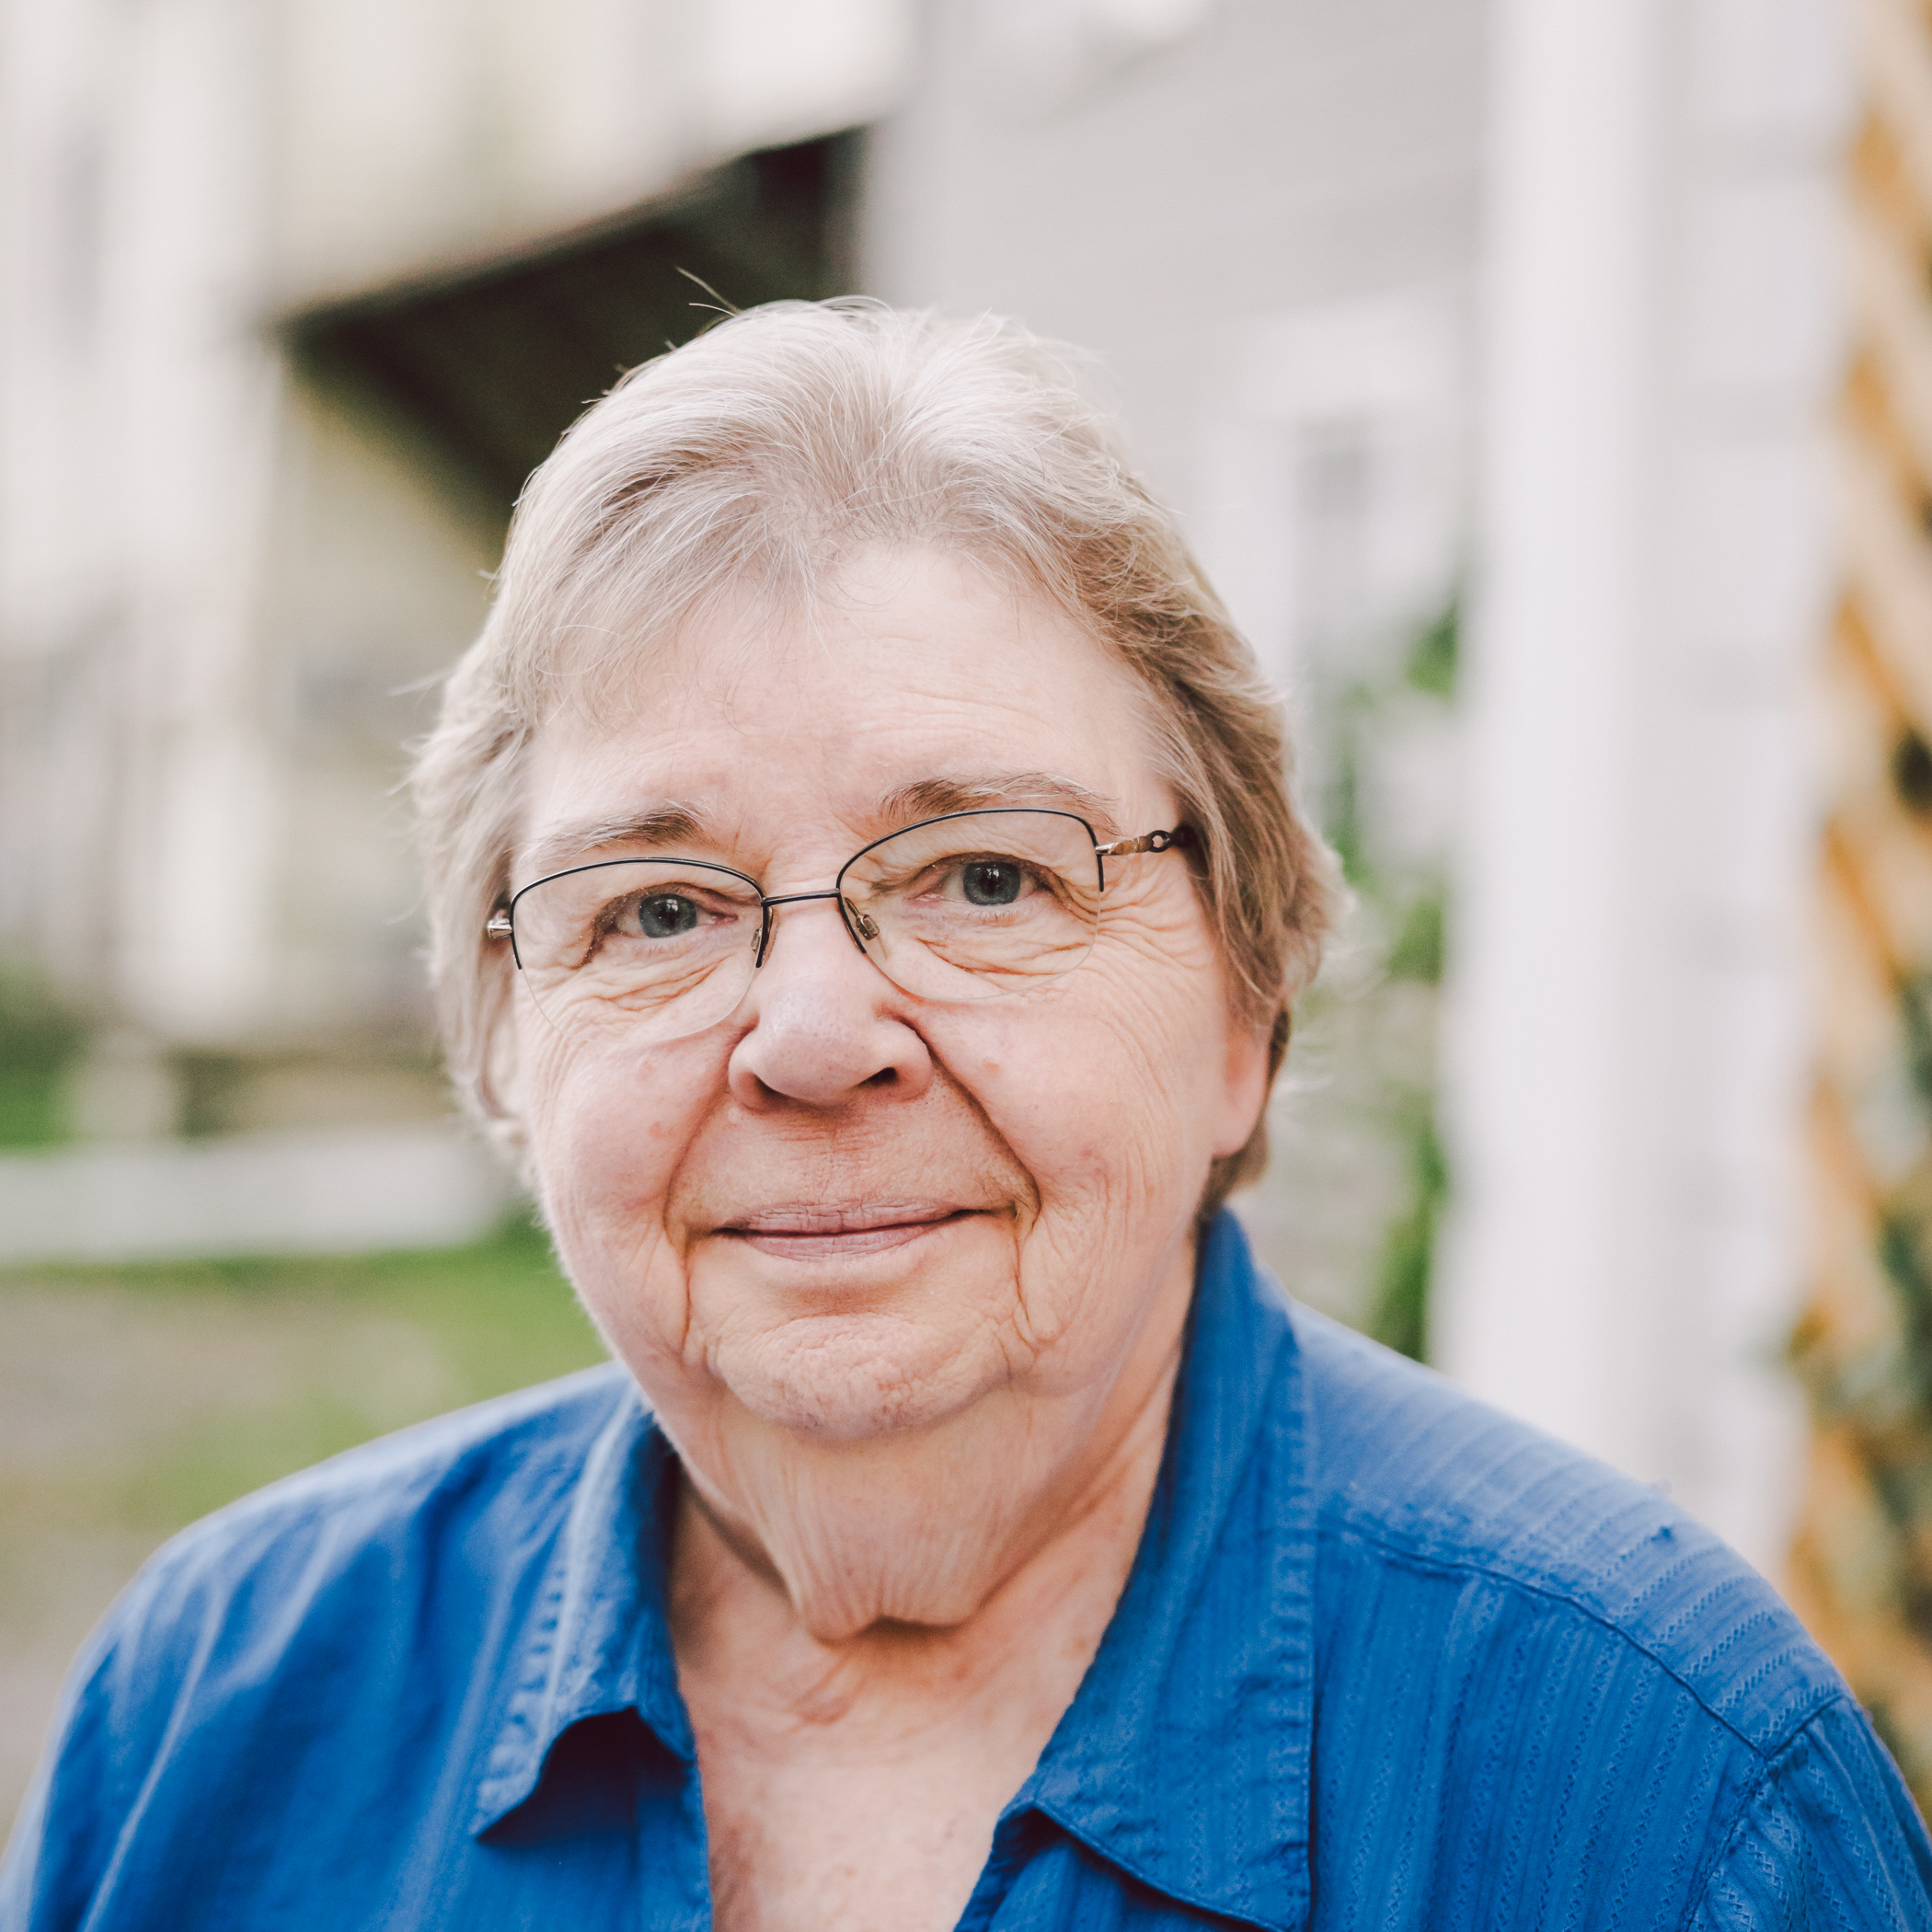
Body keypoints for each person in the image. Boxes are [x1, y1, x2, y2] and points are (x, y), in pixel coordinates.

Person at [4, 300, 1929, 1932]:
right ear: (507, 1040)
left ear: (1244, 1001)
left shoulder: (1667, 1805)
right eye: (659, 910)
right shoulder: (220, 1719)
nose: (813, 1037)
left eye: (987, 878)